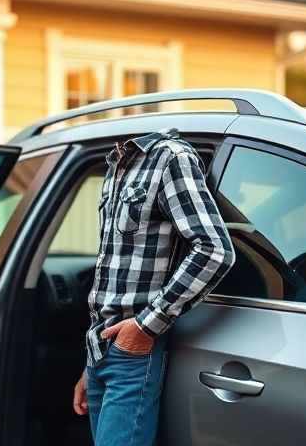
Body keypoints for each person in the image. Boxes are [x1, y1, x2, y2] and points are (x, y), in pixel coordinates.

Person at [72, 128, 235, 446]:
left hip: (133, 351)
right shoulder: (116, 164)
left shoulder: (171, 158)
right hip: (103, 348)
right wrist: (91, 366)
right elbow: (114, 276)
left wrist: (145, 327)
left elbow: (215, 250)